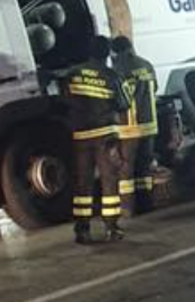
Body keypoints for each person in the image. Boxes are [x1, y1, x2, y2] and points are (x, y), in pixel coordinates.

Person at [62, 34, 128, 244]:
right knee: (109, 181)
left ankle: (82, 230)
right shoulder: (111, 75)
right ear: (107, 53)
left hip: (81, 137)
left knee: (83, 183)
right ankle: (111, 228)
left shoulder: (72, 74)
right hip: (105, 136)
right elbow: (123, 104)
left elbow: (63, 101)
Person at [111, 35, 160, 216]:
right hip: (149, 125)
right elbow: (155, 88)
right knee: (144, 168)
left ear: (114, 52)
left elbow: (116, 100)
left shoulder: (118, 70)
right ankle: (146, 203)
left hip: (130, 128)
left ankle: (128, 207)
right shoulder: (146, 65)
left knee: (126, 169)